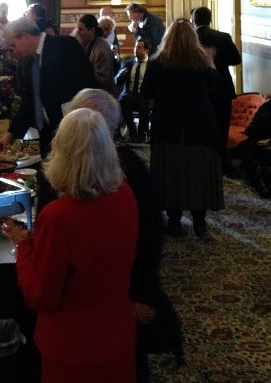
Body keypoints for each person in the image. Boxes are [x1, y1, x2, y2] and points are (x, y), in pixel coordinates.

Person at [0, 108, 138, 383]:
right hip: (118, 333)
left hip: (73, 345)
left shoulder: (58, 216)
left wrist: (24, 245)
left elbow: (39, 295)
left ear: (61, 154)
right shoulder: (125, 193)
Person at [66, 88, 183, 383]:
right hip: (113, 288)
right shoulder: (128, 167)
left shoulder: (119, 171)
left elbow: (148, 237)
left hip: (107, 292)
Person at [140, 19, 223, 238]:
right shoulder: (201, 62)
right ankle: (199, 221)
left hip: (168, 122)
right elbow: (215, 85)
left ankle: (174, 221)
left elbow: (146, 92)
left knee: (171, 170)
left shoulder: (158, 63)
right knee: (198, 170)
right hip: (199, 122)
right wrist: (211, 62)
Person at [1, 16, 95, 156]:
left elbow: (87, 86)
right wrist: (11, 134)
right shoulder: (28, 62)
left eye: (13, 45)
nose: (14, 53)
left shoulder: (64, 45)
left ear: (25, 36)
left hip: (73, 130)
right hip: (46, 132)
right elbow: (30, 101)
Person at [190, 6, 241, 169]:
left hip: (199, 88)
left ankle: (202, 163)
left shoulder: (190, 39)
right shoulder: (223, 37)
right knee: (221, 126)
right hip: (222, 87)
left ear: (194, 21)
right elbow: (236, 59)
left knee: (199, 127)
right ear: (210, 20)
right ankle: (221, 164)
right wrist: (219, 61)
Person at [115, 39, 150, 142]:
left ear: (146, 50)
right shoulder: (128, 63)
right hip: (130, 95)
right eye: (135, 47)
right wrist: (121, 75)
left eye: (139, 48)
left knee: (144, 102)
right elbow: (116, 81)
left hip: (144, 95)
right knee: (124, 101)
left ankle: (142, 133)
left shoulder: (151, 65)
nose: (136, 49)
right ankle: (132, 131)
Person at [76, 13, 115, 92]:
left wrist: (78, 75)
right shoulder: (87, 42)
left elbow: (103, 79)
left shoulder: (101, 50)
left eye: (81, 29)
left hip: (101, 94)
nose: (78, 33)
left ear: (92, 30)